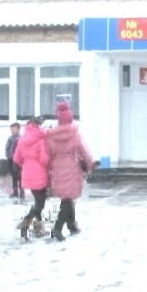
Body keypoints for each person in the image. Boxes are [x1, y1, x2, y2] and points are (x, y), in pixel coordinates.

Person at [46, 101, 95, 241]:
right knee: (68, 199)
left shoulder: (52, 135)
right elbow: (83, 151)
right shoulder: (74, 134)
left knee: (67, 197)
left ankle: (72, 225)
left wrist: (49, 168)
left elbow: (48, 153)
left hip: (57, 166)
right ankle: (57, 228)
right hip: (71, 166)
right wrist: (90, 164)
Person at [13, 118, 50, 240]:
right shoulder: (41, 139)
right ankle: (25, 224)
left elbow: (16, 158)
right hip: (40, 174)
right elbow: (44, 159)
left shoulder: (21, 140)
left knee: (38, 202)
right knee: (40, 204)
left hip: (27, 174)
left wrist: (26, 165)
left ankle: (38, 228)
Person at [4, 122, 23, 198]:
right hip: (10, 158)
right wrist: (7, 154)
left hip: (17, 160)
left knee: (19, 176)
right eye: (11, 129)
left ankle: (21, 192)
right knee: (13, 176)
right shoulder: (10, 138)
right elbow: (7, 147)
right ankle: (15, 192)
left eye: (14, 129)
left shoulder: (20, 138)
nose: (12, 131)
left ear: (18, 129)